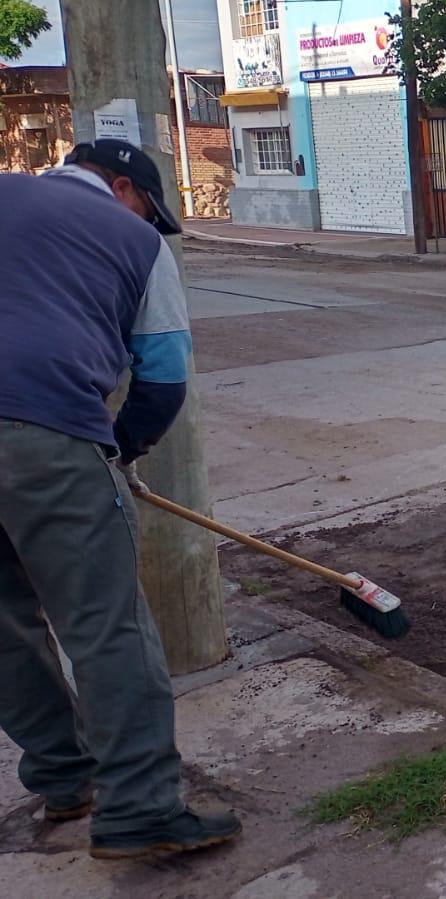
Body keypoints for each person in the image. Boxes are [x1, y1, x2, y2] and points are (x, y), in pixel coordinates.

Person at [0, 140, 242, 858]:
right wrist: (120, 448)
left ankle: (64, 776)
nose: (150, 220)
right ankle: (139, 807)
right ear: (123, 187)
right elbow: (163, 380)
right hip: (42, 426)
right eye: (149, 205)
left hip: (35, 423)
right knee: (106, 625)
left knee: (3, 624)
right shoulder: (134, 240)